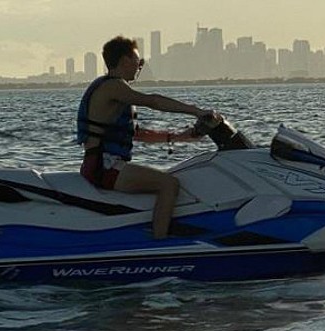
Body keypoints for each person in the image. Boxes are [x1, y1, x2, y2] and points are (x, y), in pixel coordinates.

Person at [77, 36, 219, 239]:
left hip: (106, 164)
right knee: (169, 184)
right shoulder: (113, 86)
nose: (140, 66)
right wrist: (196, 111)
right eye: (138, 61)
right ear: (125, 61)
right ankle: (160, 241)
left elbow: (138, 134)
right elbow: (152, 101)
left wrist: (178, 137)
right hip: (103, 166)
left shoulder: (118, 90)